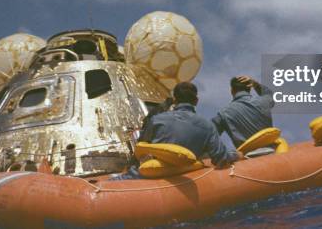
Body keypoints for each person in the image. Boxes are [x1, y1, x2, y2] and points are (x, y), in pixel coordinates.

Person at [111, 82, 239, 180]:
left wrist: (127, 169)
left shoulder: (156, 120)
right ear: (196, 101)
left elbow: (140, 150)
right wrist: (236, 154)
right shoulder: (208, 126)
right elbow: (221, 158)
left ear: (175, 100)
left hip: (152, 175)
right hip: (187, 175)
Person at [212, 75, 275, 149]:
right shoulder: (264, 102)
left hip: (247, 157)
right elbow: (270, 94)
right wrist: (255, 84)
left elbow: (209, 135)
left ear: (232, 91)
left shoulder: (224, 113)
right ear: (249, 89)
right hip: (273, 152)